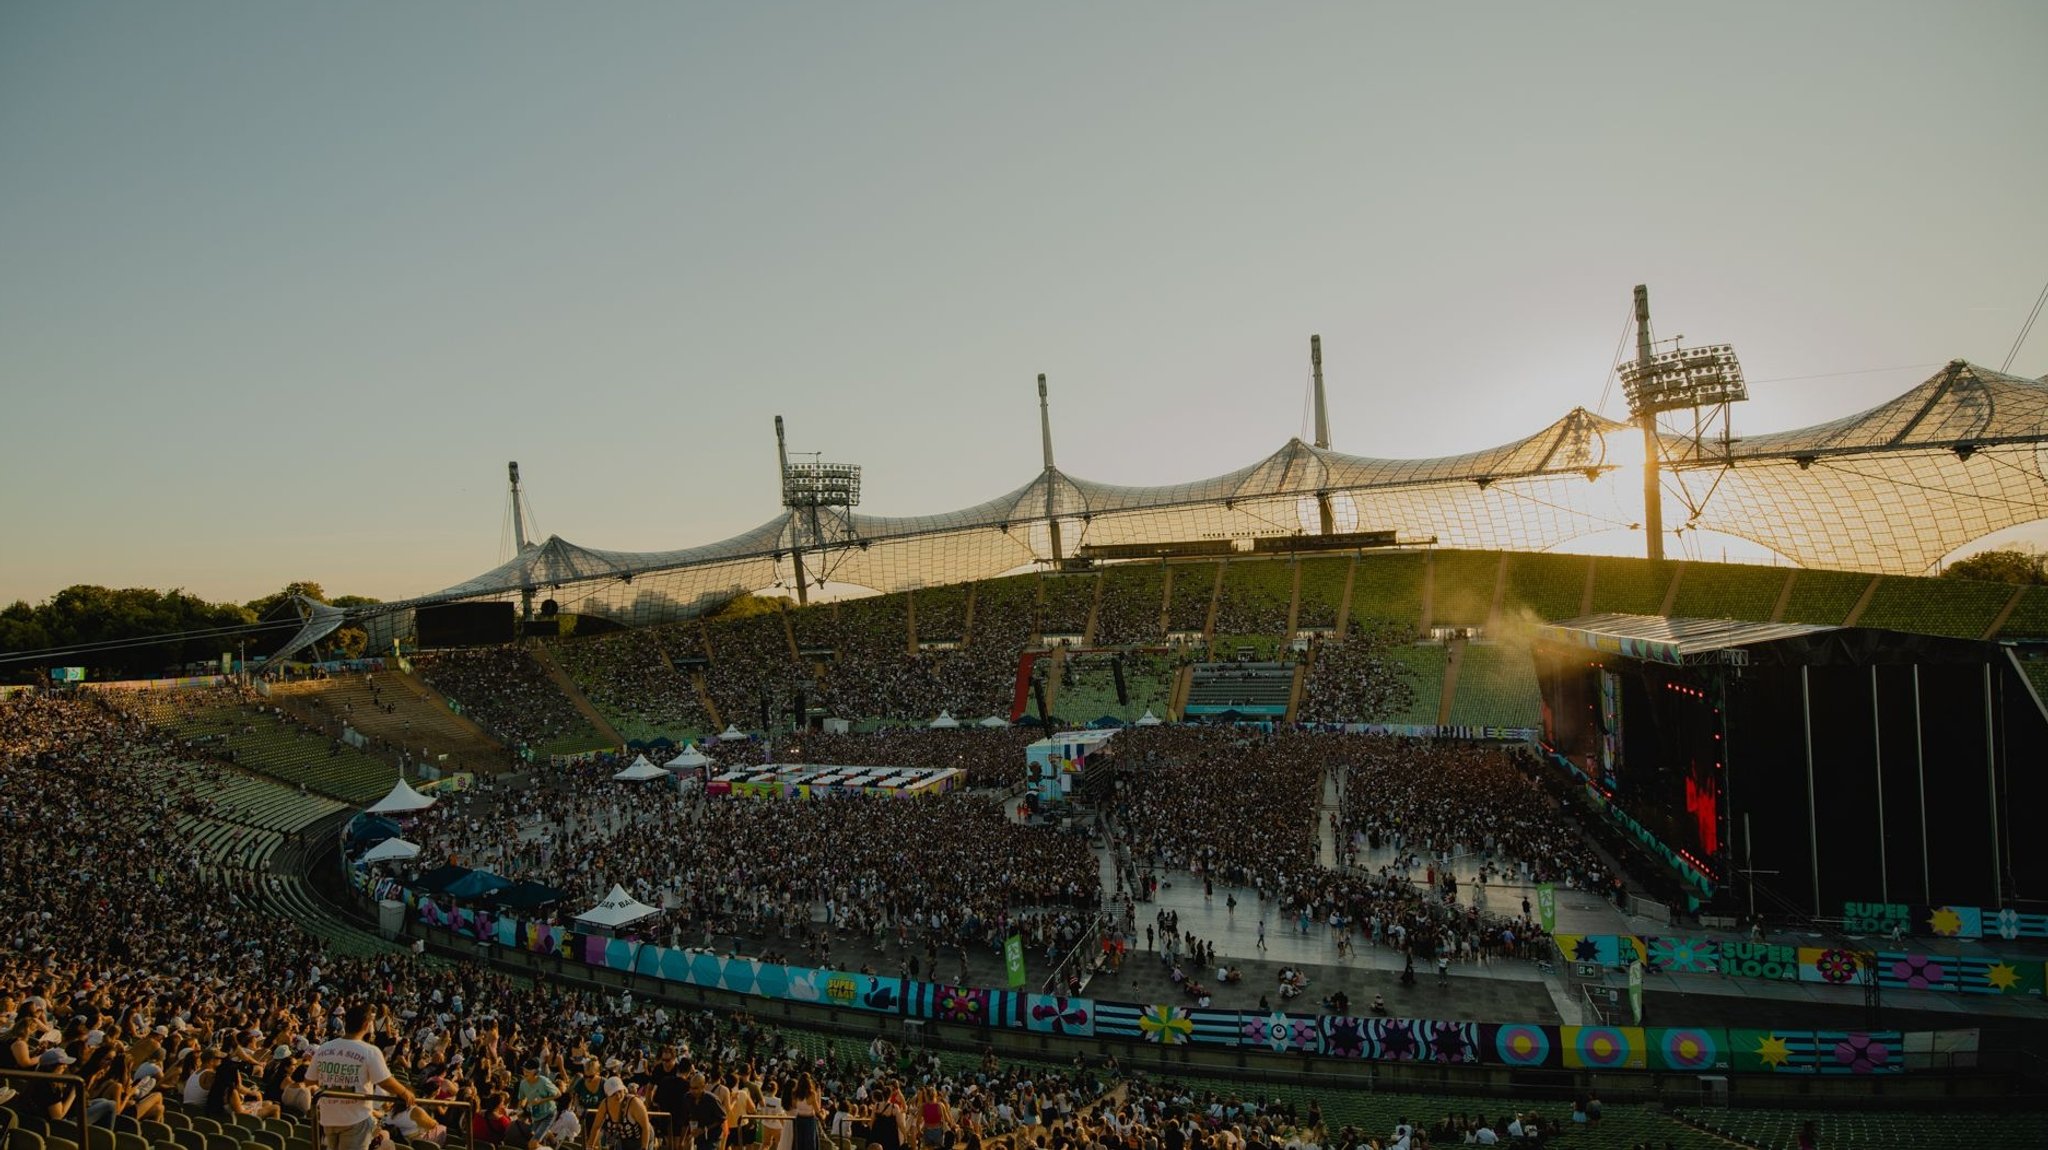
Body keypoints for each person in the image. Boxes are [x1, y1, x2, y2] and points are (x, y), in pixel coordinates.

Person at [315, 1003, 417, 1150]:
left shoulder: (324, 1048)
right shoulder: (370, 1051)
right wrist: (404, 1092)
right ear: (365, 1024)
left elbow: (310, 1080)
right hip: (355, 1118)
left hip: (329, 1115)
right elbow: (385, 1081)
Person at [588, 1077, 653, 1150]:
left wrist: (644, 1148)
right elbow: (596, 1126)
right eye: (613, 1094)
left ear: (624, 1090)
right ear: (607, 1095)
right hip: (622, 1139)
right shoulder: (604, 1105)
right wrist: (590, 1147)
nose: (618, 1096)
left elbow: (645, 1127)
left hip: (641, 1138)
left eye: (619, 1091)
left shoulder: (634, 1103)